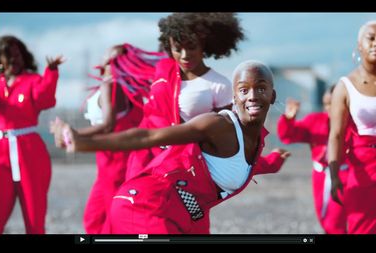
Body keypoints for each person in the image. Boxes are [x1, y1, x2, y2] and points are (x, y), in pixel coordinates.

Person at [51, 60, 290, 234]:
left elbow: (239, 165)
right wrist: (83, 143)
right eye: (243, 90)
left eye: (260, 88)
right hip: (146, 207)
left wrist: (275, 162)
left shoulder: (256, 140)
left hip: (180, 216)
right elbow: (148, 137)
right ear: (234, 97)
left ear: (272, 94)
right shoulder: (218, 125)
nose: (252, 96)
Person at [124, 13, 247, 234]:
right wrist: (119, 51)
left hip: (187, 167)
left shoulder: (218, 85)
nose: (184, 55)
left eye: (191, 47)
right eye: (177, 48)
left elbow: (227, 132)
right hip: (147, 157)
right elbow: (136, 62)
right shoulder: (163, 70)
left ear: (204, 45)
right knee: (139, 215)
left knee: (189, 223)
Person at [51, 43, 166, 234]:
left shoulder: (111, 84)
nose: (104, 57)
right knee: (98, 217)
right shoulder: (129, 87)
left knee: (108, 220)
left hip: (113, 160)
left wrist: (71, 134)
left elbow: (107, 125)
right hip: (119, 159)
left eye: (109, 55)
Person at [328, 21, 376, 234]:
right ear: (359, 45)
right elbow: (336, 135)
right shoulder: (345, 86)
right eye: (371, 38)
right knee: (364, 229)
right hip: (368, 165)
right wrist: (334, 174)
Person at [0, 35, 65, 234]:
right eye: (8, 56)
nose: (13, 60)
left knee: (34, 213)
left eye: (17, 55)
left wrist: (51, 72)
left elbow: (45, 98)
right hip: (0, 151)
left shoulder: (32, 80)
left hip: (28, 150)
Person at [277, 86, 348, 234]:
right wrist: (289, 119)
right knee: (324, 218)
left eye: (333, 104)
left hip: (344, 176)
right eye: (326, 104)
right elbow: (288, 136)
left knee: (335, 223)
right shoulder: (315, 120)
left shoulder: (351, 122)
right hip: (320, 177)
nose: (328, 108)